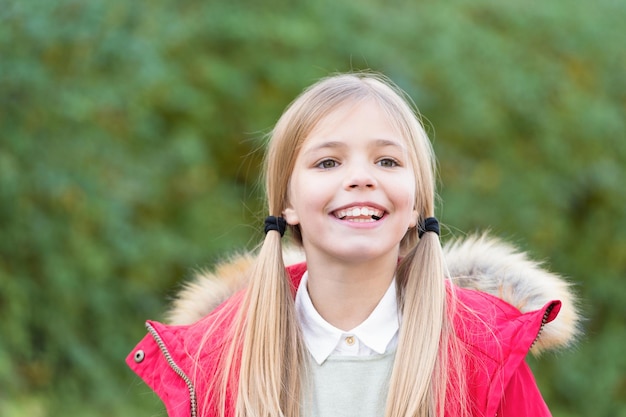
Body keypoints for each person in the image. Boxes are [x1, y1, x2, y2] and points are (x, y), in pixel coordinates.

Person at [126, 72, 580, 417]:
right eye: (328, 162)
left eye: (386, 160)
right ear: (288, 203)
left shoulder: (484, 351)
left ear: (416, 201)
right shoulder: (216, 361)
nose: (361, 178)